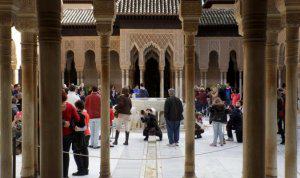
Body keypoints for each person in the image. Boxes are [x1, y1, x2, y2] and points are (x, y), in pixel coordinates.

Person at [62, 90, 81, 178]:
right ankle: (65, 175)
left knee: (54, 154)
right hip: (67, 134)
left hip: (53, 135)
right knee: (65, 154)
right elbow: (77, 118)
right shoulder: (70, 106)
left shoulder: (53, 107)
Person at [72, 100, 88, 176]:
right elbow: (85, 127)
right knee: (84, 152)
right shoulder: (84, 114)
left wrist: (78, 128)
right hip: (82, 136)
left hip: (77, 137)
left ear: (77, 107)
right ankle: (85, 169)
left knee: (76, 153)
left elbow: (75, 128)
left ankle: (81, 170)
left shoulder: (77, 115)